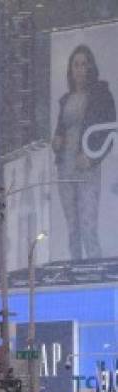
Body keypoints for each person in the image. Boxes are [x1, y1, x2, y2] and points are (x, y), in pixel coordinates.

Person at [52, 44, 116, 261]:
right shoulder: (65, 100)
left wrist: (92, 157)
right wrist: (57, 141)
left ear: (90, 67)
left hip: (87, 168)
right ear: (70, 69)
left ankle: (94, 274)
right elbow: (60, 130)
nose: (79, 69)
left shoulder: (100, 94)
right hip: (65, 168)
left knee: (88, 225)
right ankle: (75, 271)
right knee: (73, 228)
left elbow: (109, 131)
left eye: (83, 64)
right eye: (75, 64)